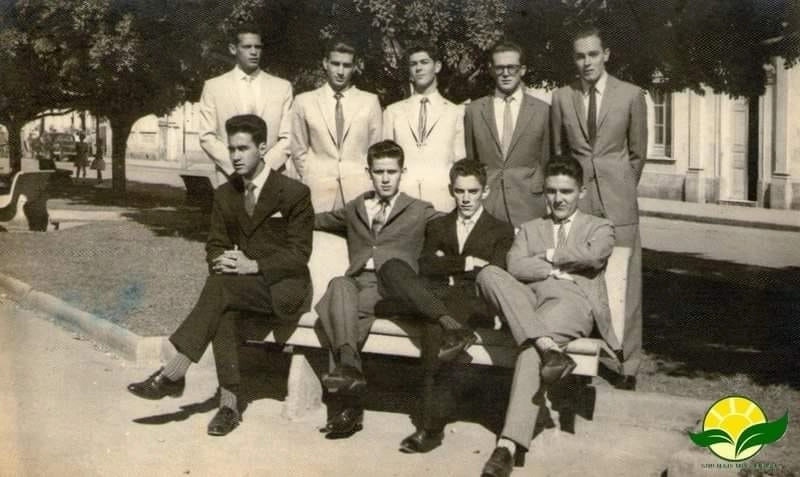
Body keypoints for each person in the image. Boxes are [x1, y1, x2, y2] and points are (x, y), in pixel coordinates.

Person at [127, 115, 314, 436]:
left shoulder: (293, 193)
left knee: (223, 291)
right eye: (231, 149)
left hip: (285, 288)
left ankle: (174, 373)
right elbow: (215, 244)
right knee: (223, 302)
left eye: (243, 148)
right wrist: (222, 260)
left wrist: (252, 265)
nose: (236, 156)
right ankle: (228, 406)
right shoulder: (226, 194)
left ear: (263, 148)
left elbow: (299, 256)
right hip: (238, 288)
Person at [475, 156, 619, 477]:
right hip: (528, 301)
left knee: (529, 350)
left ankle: (507, 446)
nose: (558, 199)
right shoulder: (530, 228)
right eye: (551, 191)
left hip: (571, 301)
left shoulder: (599, 226)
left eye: (566, 191)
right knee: (489, 274)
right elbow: (514, 266)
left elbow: (593, 257)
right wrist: (562, 269)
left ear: (581, 192)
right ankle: (547, 345)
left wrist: (550, 258)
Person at [381, 159, 514, 453]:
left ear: (485, 192)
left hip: (473, 302)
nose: (466, 199)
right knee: (391, 267)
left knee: (432, 327)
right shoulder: (439, 224)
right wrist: (465, 262)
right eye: (459, 191)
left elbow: (494, 272)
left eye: (473, 191)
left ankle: (430, 428)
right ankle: (451, 326)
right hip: (437, 297)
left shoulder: (501, 229)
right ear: (450, 191)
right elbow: (426, 265)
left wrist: (447, 266)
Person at [313, 140, 440, 438]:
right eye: (379, 171)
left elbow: (454, 226)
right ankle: (350, 372)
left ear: (402, 172)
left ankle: (348, 408)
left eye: (391, 172)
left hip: (391, 287)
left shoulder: (419, 209)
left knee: (337, 312)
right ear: (368, 172)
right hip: (357, 282)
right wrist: (278, 217)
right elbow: (318, 220)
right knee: (338, 287)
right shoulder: (356, 207)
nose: (385, 178)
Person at [550, 25, 647, 389]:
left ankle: (628, 365)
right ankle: (581, 359)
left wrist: (618, 186)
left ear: (606, 54)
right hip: (580, 205)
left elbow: (637, 155)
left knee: (625, 285)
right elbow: (558, 155)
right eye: (580, 56)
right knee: (578, 280)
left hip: (619, 204)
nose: (586, 61)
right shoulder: (562, 97)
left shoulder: (631, 95)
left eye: (593, 54)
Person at [464, 40, 550, 227]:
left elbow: (547, 159)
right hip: (489, 205)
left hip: (530, 205)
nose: (505, 73)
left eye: (512, 67)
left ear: (523, 70)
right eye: (500, 67)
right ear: (491, 70)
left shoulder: (543, 111)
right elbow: (472, 160)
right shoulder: (473, 111)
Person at [291, 38, 382, 211]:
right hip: (319, 190)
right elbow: (298, 149)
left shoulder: (370, 102)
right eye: (335, 64)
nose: (340, 71)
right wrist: (313, 176)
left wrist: (368, 183)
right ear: (326, 63)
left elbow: (375, 150)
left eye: (347, 66)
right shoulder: (304, 101)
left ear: (354, 67)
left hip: (359, 190)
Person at [199, 24, 293, 187]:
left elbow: (289, 136)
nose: (254, 52)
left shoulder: (282, 87)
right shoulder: (214, 87)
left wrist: (264, 169)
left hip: (272, 177)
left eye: (258, 47)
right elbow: (206, 136)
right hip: (230, 179)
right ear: (233, 49)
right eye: (247, 47)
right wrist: (235, 167)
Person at [383, 43, 465, 211]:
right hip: (402, 200)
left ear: (437, 66)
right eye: (413, 64)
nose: (418, 68)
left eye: (424, 62)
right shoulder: (393, 111)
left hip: (442, 201)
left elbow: (459, 161)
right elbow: (385, 162)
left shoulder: (455, 112)